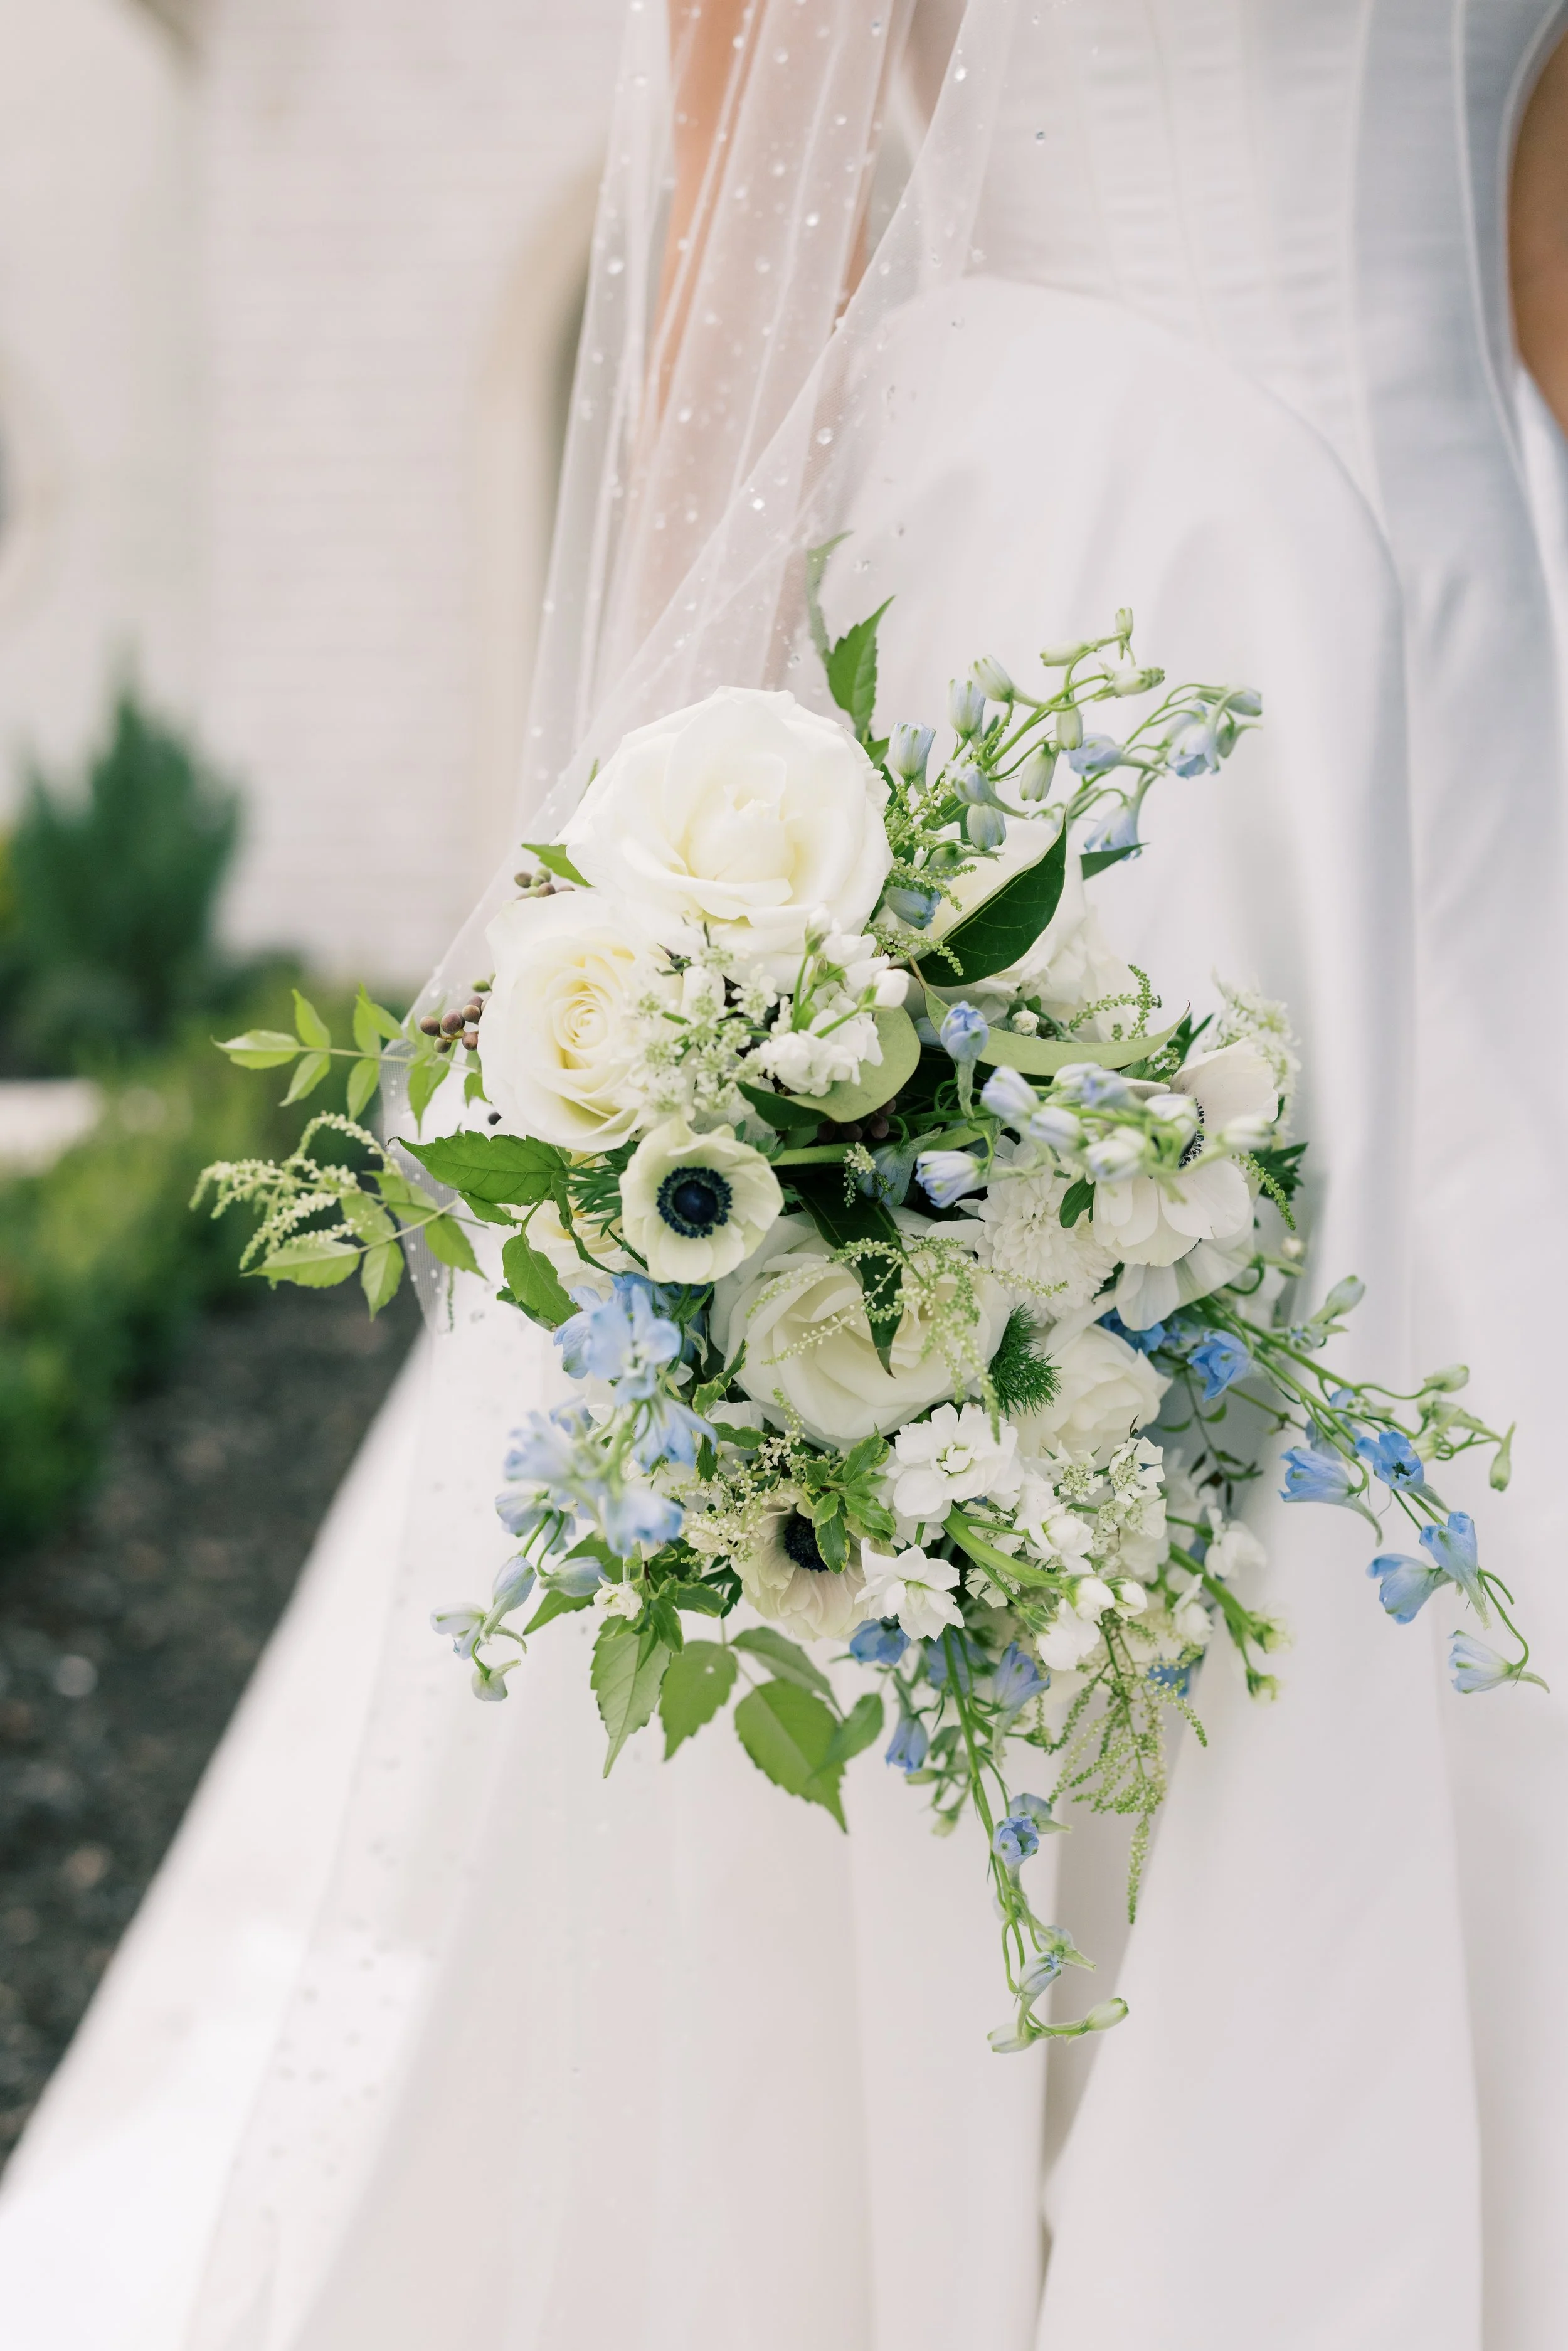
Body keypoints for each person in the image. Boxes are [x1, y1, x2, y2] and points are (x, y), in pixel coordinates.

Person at [3, 4, 1567, 2345]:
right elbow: (757, 213)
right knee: (1018, 1420)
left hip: (1391, 634)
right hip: (1107, 649)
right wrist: (695, 934)